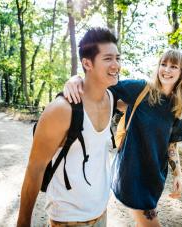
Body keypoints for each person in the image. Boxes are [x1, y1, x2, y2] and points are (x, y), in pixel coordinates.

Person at [64, 49, 182, 227]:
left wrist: (178, 174)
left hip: (155, 177)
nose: (167, 70)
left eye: (173, 66)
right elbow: (99, 85)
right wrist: (75, 79)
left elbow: (172, 145)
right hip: (133, 173)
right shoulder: (141, 88)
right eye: (163, 64)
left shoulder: (177, 105)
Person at [17, 27, 120, 227]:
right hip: (68, 219)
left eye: (118, 57)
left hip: (100, 213)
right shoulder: (61, 110)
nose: (116, 64)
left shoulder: (113, 97)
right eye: (108, 59)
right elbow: (35, 168)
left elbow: (153, 91)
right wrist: (23, 223)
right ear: (87, 63)